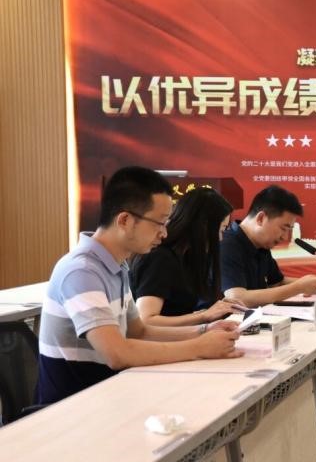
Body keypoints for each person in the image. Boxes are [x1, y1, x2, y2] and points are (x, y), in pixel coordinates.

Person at [36, 166, 242, 405]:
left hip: (110, 395)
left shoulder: (116, 265)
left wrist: (204, 331)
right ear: (125, 220)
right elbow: (117, 354)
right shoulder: (81, 271)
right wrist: (198, 347)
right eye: (159, 223)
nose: (164, 233)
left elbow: (139, 331)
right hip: (72, 408)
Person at [131, 187, 244, 326]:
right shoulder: (160, 258)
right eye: (220, 230)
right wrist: (204, 316)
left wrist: (218, 308)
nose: (220, 238)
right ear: (202, 226)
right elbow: (147, 320)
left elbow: (182, 311)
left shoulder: (187, 258)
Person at [219, 185, 316, 307]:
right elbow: (237, 298)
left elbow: (277, 283)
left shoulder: (261, 244)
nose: (285, 237)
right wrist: (299, 287)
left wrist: (314, 284)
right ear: (261, 218)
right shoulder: (227, 244)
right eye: (283, 228)